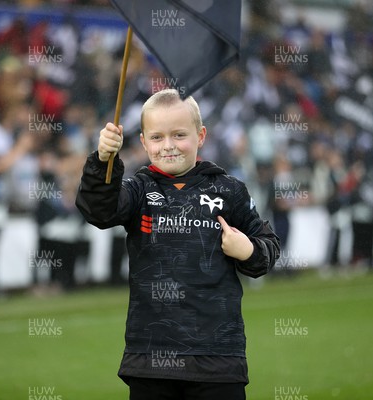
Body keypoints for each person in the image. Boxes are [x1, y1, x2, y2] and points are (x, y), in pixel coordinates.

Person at [76, 89, 280, 400]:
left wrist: (248, 250)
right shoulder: (138, 189)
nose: (168, 146)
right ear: (143, 142)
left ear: (201, 136)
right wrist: (103, 160)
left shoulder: (228, 189)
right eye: (157, 137)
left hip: (218, 360)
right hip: (150, 358)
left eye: (179, 135)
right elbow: (98, 212)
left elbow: (268, 249)